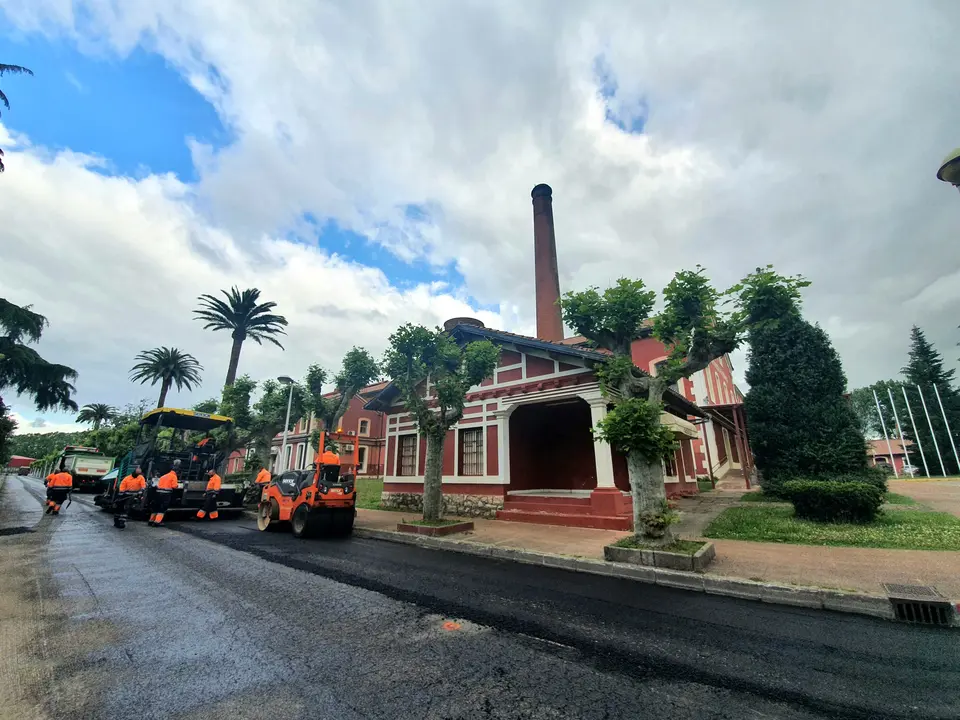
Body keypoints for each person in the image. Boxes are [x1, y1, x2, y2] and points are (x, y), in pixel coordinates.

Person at [148, 460, 180, 527]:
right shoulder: (174, 476)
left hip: (158, 493)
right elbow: (174, 486)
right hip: (165, 494)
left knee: (156, 508)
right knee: (162, 509)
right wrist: (177, 485)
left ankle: (151, 521)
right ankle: (157, 522)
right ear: (176, 472)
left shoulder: (164, 476)